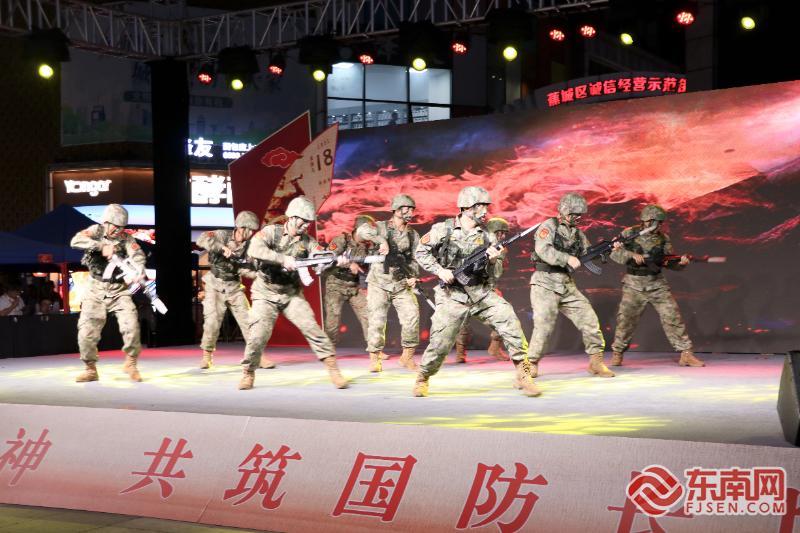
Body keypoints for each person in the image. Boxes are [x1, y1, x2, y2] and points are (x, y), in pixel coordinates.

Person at [413, 186, 540, 397]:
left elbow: (495, 274)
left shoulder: (489, 235)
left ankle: (523, 374)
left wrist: (493, 261)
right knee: (440, 342)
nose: (484, 210)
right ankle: (422, 377)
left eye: (485, 206)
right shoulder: (443, 230)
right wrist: (440, 270)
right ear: (465, 207)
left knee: (509, 321)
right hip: (452, 295)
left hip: (480, 292)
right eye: (479, 206)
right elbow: (421, 252)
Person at [238, 196, 349, 390]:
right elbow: (255, 249)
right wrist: (282, 259)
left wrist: (335, 262)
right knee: (258, 335)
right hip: (265, 293)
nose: (306, 225)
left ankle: (333, 369)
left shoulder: (308, 242)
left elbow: (320, 261)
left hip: (291, 294)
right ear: (292, 217)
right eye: (303, 221)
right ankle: (248, 372)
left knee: (312, 328)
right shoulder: (271, 232)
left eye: (308, 222)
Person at [528, 192, 616, 378]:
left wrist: (608, 249)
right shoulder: (549, 226)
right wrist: (567, 258)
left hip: (566, 283)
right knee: (544, 325)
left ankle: (596, 361)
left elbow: (587, 253)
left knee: (589, 319)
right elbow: (543, 250)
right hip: (545, 282)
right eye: (574, 213)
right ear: (564, 210)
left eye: (579, 214)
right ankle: (532, 363)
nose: (577, 217)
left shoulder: (577, 234)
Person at [609, 204, 704, 367]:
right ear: (646, 220)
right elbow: (614, 253)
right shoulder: (629, 233)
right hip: (633, 285)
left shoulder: (663, 238)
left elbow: (668, 261)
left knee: (672, 317)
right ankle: (617, 352)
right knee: (625, 320)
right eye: (655, 222)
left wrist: (681, 263)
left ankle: (686, 354)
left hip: (657, 284)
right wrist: (631, 255)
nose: (658, 226)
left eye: (660, 223)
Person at [69, 204, 146, 382]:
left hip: (119, 290)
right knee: (86, 332)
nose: (118, 230)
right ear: (106, 222)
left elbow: (137, 255)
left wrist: (139, 270)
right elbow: (75, 241)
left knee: (131, 325)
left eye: (122, 227)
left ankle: (131, 363)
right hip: (95, 289)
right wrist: (101, 246)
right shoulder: (95, 231)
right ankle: (90, 369)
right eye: (115, 226)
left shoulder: (127, 239)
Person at [356, 194, 420, 373]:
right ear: (396, 209)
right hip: (379, 282)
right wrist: (381, 241)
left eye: (412, 209)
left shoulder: (412, 234)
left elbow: (415, 258)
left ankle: (407, 357)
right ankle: (375, 358)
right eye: (406, 208)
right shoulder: (381, 227)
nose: (410, 212)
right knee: (376, 321)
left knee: (412, 316)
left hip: (400, 282)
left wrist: (414, 276)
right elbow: (361, 231)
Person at [196, 210, 260, 369]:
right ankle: (207, 356)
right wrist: (221, 247)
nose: (251, 233)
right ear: (241, 227)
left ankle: (257, 355)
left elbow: (246, 268)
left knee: (248, 320)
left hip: (234, 286)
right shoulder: (222, 235)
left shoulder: (250, 246)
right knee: (212, 322)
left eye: (253, 230)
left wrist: (258, 275)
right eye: (249, 229)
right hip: (214, 284)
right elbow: (201, 239)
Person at [454, 216, 512, 363]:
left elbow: (496, 273)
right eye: (501, 233)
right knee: (462, 321)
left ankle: (494, 348)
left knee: (504, 316)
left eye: (504, 234)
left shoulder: (500, 249)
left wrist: (496, 259)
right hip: (467, 287)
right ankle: (460, 353)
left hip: (486, 288)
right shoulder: (476, 241)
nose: (503, 236)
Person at [322, 214, 375, 352]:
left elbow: (366, 268)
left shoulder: (368, 247)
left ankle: (375, 349)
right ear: (359, 229)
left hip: (354, 287)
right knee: (332, 319)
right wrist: (348, 264)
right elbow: (327, 258)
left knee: (369, 315)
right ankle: (328, 351)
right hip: (336, 284)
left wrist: (364, 286)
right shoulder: (342, 240)